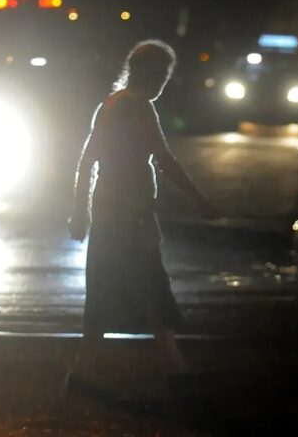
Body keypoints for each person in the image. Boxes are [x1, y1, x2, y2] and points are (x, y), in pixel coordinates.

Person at [67, 39, 221, 390]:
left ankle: (85, 372)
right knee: (153, 289)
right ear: (150, 73)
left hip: (109, 215)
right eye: (163, 73)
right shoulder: (138, 107)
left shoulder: (109, 105)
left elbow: (87, 161)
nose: (165, 80)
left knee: (107, 291)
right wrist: (200, 201)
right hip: (132, 218)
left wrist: (81, 211)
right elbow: (164, 158)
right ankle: (173, 371)